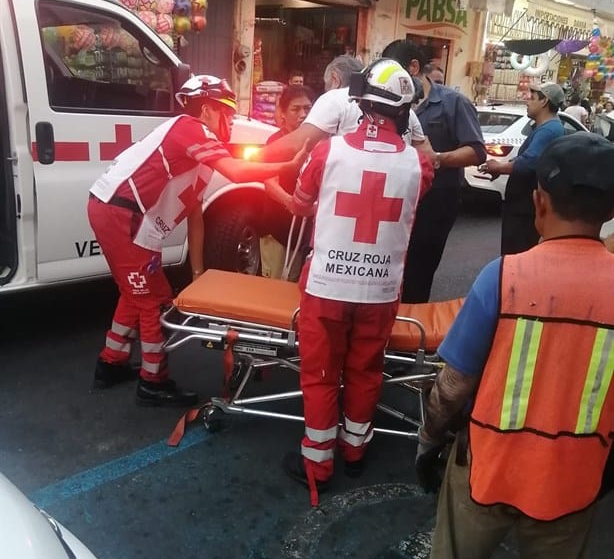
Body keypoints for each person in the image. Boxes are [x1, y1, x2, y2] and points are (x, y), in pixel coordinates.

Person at [379, 131, 614, 559]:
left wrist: (429, 445)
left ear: (538, 201)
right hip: (574, 479)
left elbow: (453, 385)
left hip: (487, 465)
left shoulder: (504, 278)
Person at [89, 75, 304, 407]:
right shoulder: (190, 127)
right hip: (121, 216)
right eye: (227, 114)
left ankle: (111, 362)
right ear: (207, 110)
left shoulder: (193, 152)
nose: (230, 122)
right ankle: (153, 382)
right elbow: (235, 172)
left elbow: (195, 216)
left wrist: (198, 274)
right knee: (153, 298)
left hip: (123, 215)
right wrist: (290, 164)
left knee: (136, 293)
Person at [281, 59, 434, 505]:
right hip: (382, 289)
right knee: (366, 370)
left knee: (321, 373)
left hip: (326, 287)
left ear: (359, 100)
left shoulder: (326, 153)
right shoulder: (418, 166)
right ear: (404, 109)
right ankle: (355, 451)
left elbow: (302, 205)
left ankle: (317, 463)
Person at [382, 39, 486, 303]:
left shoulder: (453, 103)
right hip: (394, 201)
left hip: (435, 203)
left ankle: (409, 333)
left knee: (418, 274)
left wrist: (436, 158)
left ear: (414, 68)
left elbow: (476, 151)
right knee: (389, 270)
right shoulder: (390, 103)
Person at [265, 54, 428, 165]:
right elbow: (427, 156)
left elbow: (298, 145)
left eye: (325, 83)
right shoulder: (408, 113)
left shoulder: (334, 99)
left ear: (335, 79)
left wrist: (252, 159)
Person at [482, 82, 565, 255]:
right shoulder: (545, 128)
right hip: (523, 205)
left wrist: (500, 166)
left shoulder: (549, 130)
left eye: (532, 98)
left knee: (516, 253)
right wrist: (502, 168)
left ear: (544, 102)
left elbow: (529, 162)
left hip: (525, 208)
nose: (527, 101)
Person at [264, 85, 315, 246]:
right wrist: (291, 203)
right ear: (283, 114)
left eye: (308, 108)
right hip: (279, 226)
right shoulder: (276, 142)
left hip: (308, 227)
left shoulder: (318, 141)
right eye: (296, 109)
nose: (303, 114)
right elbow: (269, 182)